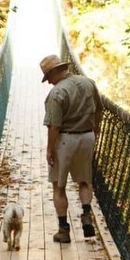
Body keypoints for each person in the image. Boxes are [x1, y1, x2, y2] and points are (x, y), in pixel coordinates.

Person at [40, 54, 103, 243]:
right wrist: (95, 131)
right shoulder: (88, 83)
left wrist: (50, 149)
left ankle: (63, 230)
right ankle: (86, 213)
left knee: (59, 187)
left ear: (54, 72)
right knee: (85, 181)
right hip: (87, 137)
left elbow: (55, 126)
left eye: (48, 77)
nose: (49, 82)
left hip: (65, 140)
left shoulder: (56, 93)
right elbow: (99, 109)